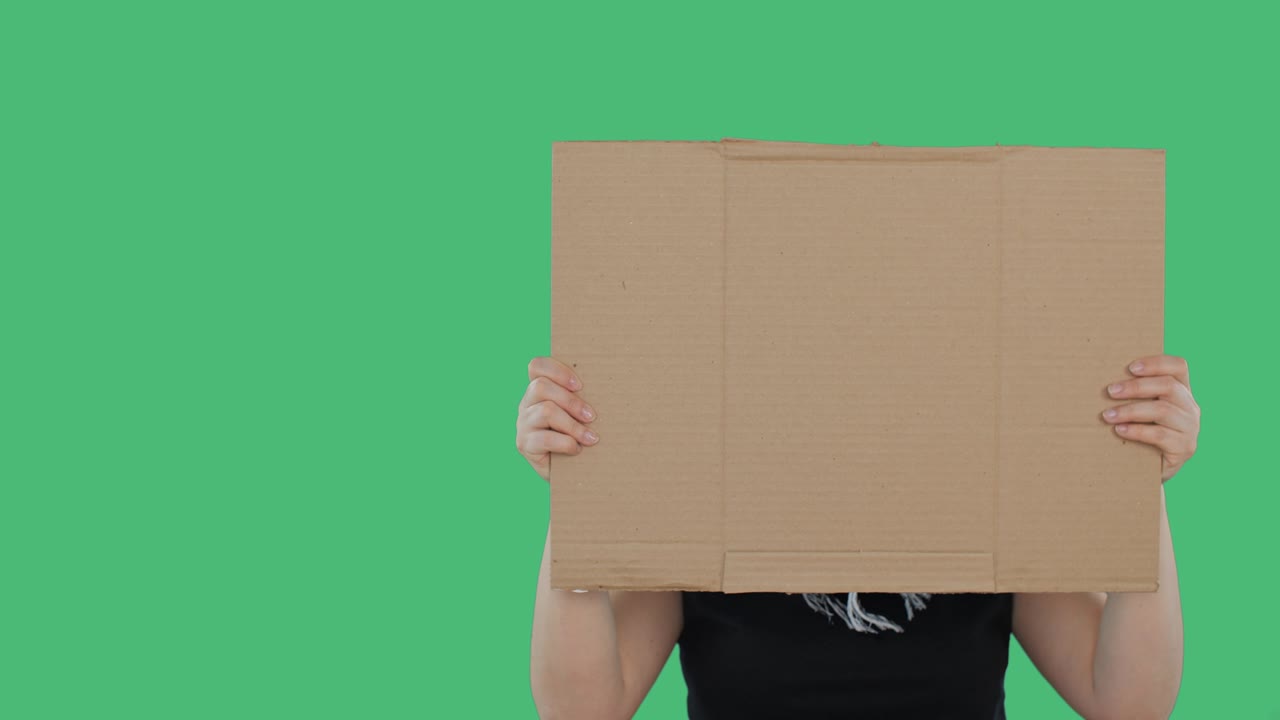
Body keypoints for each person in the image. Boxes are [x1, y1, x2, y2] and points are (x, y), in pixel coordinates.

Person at [522, 355, 1196, 719]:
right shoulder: (708, 500)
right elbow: (582, 708)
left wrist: (1140, 481)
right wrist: (580, 487)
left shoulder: (984, 497)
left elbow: (1130, 702)